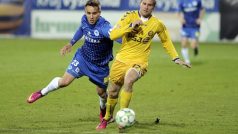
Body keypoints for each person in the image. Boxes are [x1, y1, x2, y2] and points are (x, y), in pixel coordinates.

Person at [96, 0, 191, 130]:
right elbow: (113, 35)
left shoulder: (157, 24)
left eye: (150, 4)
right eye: (144, 3)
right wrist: (130, 26)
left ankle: (123, 117)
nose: (146, 7)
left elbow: (166, 40)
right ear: (140, 4)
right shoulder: (128, 16)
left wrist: (175, 58)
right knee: (112, 93)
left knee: (129, 80)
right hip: (121, 60)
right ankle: (107, 117)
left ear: (153, 7)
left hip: (140, 62)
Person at [27, 0, 115, 122]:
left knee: (101, 93)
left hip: (100, 66)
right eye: (88, 13)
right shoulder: (84, 20)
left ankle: (102, 109)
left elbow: (116, 36)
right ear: (85, 12)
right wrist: (71, 43)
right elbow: (81, 29)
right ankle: (41, 92)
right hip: (83, 58)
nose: (91, 16)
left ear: (99, 13)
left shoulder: (104, 27)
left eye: (94, 13)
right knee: (64, 82)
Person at [177, 0, 205, 65]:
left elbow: (202, 10)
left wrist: (200, 19)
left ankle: (195, 47)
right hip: (185, 26)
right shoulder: (182, 2)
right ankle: (187, 61)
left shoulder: (198, 1)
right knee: (184, 44)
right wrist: (181, 19)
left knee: (193, 45)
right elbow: (178, 12)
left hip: (195, 27)